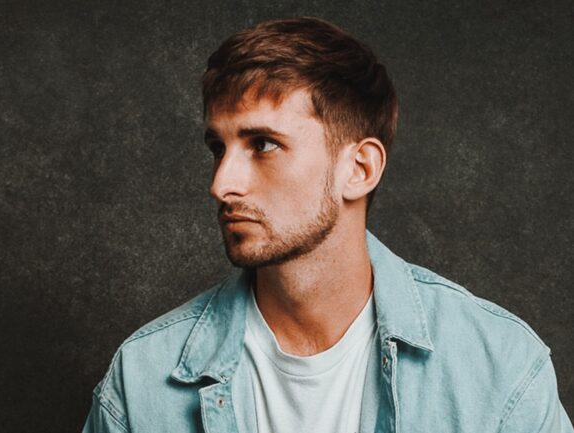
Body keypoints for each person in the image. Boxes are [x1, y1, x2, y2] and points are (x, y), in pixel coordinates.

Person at [82, 17, 573, 433]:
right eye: (219, 148)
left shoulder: (499, 369)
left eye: (263, 144)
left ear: (358, 170)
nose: (221, 183)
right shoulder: (142, 379)